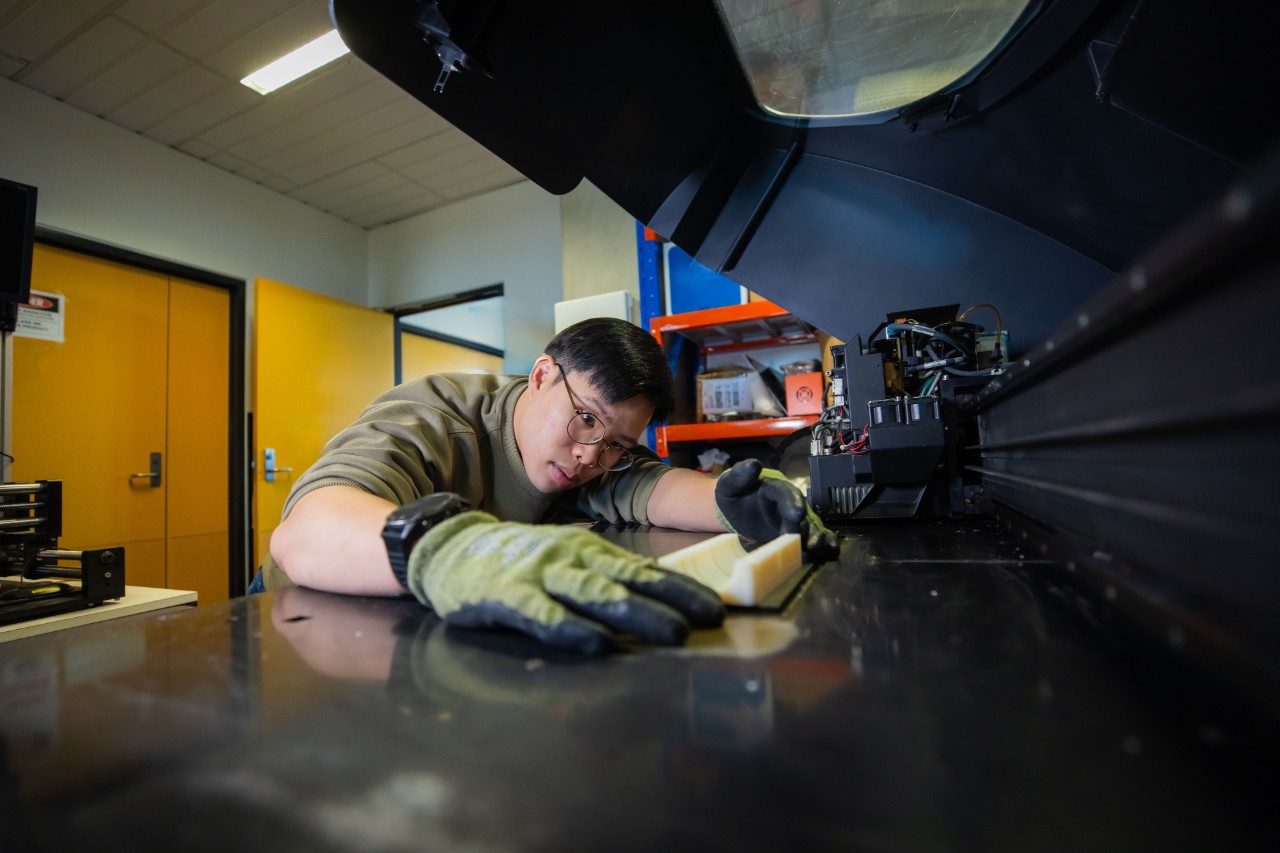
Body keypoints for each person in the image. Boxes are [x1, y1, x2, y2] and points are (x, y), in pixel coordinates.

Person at [258, 317, 836, 653]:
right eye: (584, 419)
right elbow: (304, 531)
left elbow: (652, 489)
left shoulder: (593, 458)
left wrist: (737, 503)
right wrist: (461, 550)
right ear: (540, 376)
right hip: (297, 623)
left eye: (615, 444)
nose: (589, 456)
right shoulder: (433, 417)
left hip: (422, 620)